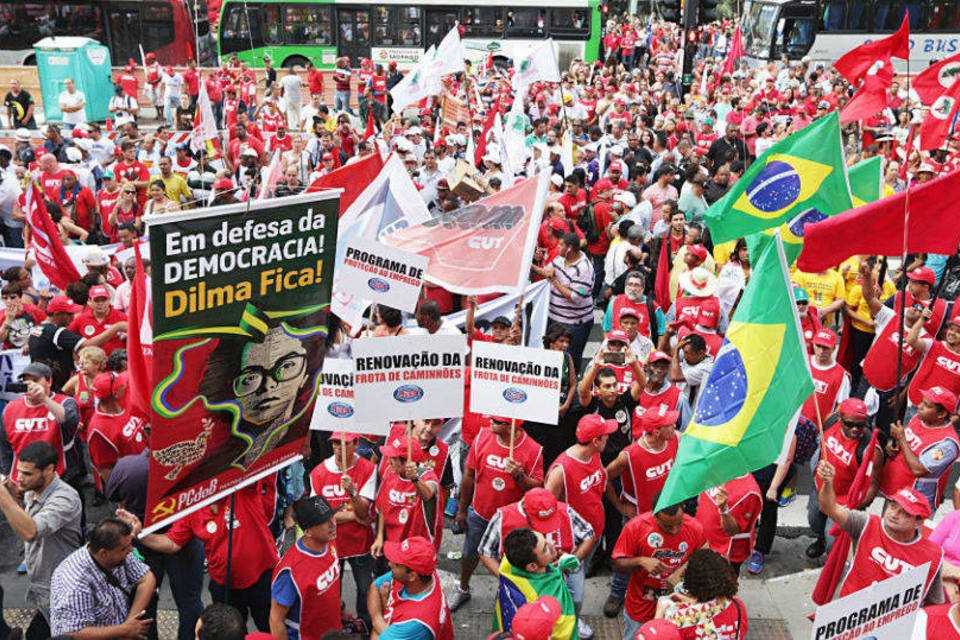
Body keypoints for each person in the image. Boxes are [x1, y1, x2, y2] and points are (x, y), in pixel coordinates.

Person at [137, 479, 279, 631]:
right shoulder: (193, 508)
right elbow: (172, 543)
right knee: (229, 632)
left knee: (271, 628)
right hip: (224, 585)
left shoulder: (244, 490)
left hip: (262, 580)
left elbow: (253, 465)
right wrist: (140, 534)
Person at [817, 461, 944, 605]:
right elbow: (829, 507)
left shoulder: (932, 555)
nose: (894, 514)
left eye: (905, 513)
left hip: (893, 624)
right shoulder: (866, 523)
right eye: (893, 505)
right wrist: (827, 483)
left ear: (919, 523)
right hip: (850, 612)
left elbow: (934, 604)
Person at [452, 416, 544, 611]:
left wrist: (519, 476)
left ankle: (506, 592)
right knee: (469, 554)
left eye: (496, 420)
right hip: (480, 514)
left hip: (511, 523)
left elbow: (537, 487)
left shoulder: (533, 449)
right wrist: (461, 510)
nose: (489, 422)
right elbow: (469, 475)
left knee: (509, 562)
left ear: (510, 425)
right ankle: (463, 587)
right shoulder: (482, 437)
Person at [477, 488, 596, 638]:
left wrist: (574, 558)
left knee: (576, 600)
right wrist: (509, 582)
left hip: (565, 576)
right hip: (526, 593)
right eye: (545, 548)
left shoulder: (566, 511)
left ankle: (576, 621)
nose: (552, 546)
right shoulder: (503, 517)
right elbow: (485, 551)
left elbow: (589, 534)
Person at [0, 441, 82, 640]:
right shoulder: (33, 490)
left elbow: (31, 531)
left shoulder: (65, 499)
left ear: (50, 470)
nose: (19, 478)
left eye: (27, 474)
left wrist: (3, 496)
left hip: (63, 591)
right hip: (43, 587)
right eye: (19, 471)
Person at [308, 431, 376, 626]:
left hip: (361, 545)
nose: (338, 447)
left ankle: (365, 625)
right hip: (331, 547)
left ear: (356, 444)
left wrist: (352, 492)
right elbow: (319, 516)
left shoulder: (369, 470)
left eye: (344, 443)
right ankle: (337, 626)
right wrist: (353, 516)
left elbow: (365, 513)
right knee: (331, 593)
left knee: (365, 589)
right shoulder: (318, 473)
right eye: (335, 442)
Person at [612, 499, 706, 638]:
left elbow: (704, 554)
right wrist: (641, 561)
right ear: (654, 515)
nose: (674, 530)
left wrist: (680, 573)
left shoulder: (695, 527)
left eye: (679, 524)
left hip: (679, 608)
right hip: (642, 607)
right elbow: (616, 564)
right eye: (667, 526)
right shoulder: (636, 527)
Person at [49, 517, 156, 637]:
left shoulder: (120, 549)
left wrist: (130, 623)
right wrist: (124, 631)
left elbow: (147, 578)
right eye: (125, 548)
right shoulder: (75, 582)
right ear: (103, 553)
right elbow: (75, 633)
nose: (131, 550)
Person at [806, 398, 883, 559]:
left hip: (843, 502)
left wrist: (853, 509)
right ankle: (819, 541)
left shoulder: (870, 450)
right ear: (840, 418)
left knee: (832, 540)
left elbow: (873, 486)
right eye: (849, 424)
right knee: (815, 521)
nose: (855, 429)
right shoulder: (830, 421)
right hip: (821, 488)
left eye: (860, 425)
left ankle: (833, 564)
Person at [270, 496, 342, 640]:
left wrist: (343, 609)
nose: (332, 524)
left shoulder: (329, 543)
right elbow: (275, 620)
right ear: (307, 531)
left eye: (332, 516)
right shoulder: (290, 571)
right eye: (323, 522)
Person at [879, 386, 960, 514]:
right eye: (922, 401)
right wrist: (894, 448)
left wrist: (901, 439)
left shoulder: (948, 445)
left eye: (927, 405)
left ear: (941, 414)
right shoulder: (918, 419)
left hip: (915, 503)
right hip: (894, 490)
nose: (920, 407)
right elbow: (906, 446)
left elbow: (919, 469)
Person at [493, 528, 577, 639]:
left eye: (545, 540)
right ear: (532, 566)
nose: (552, 544)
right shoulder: (550, 599)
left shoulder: (509, 563)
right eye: (545, 549)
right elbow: (564, 630)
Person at [367, 536, 453, 640]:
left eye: (397, 564)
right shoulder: (423, 572)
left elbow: (376, 637)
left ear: (412, 576)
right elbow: (374, 587)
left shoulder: (416, 622)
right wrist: (380, 619)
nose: (390, 564)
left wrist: (379, 617)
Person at [531, 232, 595, 370]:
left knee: (570, 358)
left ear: (570, 248)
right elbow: (547, 271)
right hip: (555, 319)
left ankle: (569, 385)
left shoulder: (584, 269)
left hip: (575, 324)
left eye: (561, 245)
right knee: (551, 355)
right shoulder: (560, 259)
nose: (558, 247)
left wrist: (554, 281)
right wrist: (532, 264)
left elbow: (575, 297)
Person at [656, 548, 748, 639]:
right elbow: (712, 609)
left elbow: (655, 635)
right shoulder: (738, 606)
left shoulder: (679, 619)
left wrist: (659, 613)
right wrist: (690, 602)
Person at [695, 475, 762, 575]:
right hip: (704, 543)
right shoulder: (716, 468)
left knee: (720, 586)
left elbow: (731, 531)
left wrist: (723, 509)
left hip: (725, 554)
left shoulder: (749, 492)